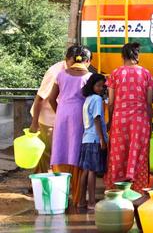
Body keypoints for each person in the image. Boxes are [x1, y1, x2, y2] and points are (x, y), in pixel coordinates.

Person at [104, 42, 153, 192]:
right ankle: (137, 190)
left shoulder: (115, 73)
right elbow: (149, 103)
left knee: (118, 154)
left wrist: (111, 120)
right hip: (140, 120)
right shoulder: (146, 74)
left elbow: (111, 102)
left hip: (120, 120)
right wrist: (149, 123)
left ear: (122, 56)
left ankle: (117, 190)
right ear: (137, 56)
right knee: (139, 153)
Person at [48, 46, 92, 205]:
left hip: (62, 116)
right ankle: (78, 198)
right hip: (80, 117)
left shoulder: (60, 75)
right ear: (87, 61)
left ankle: (60, 197)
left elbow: (51, 98)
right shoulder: (89, 77)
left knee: (61, 150)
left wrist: (60, 111)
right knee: (77, 152)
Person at [29, 45, 78, 174]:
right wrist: (34, 123)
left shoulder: (73, 72)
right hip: (47, 118)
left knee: (53, 151)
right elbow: (40, 98)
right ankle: (39, 182)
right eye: (72, 63)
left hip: (59, 118)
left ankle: (41, 180)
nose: (75, 66)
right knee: (46, 151)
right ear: (66, 59)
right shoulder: (55, 72)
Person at [78, 73, 108, 210]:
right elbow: (96, 118)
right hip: (94, 138)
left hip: (86, 138)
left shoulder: (87, 99)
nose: (101, 88)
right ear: (92, 85)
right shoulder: (96, 99)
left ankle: (81, 201)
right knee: (92, 171)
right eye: (99, 85)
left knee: (85, 170)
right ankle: (91, 202)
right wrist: (102, 138)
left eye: (103, 86)